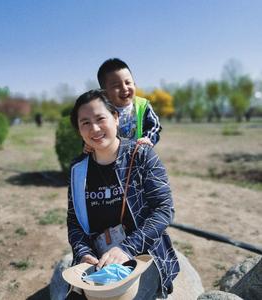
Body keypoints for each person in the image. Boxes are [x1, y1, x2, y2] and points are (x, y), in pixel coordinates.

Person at [50, 89, 179, 300]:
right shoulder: (79, 169)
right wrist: (84, 253)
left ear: (116, 118)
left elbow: (164, 210)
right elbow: (74, 221)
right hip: (97, 261)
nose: (95, 128)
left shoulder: (141, 156)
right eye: (85, 123)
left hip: (141, 254)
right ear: (79, 131)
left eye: (101, 118)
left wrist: (126, 249)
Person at [97, 58, 162, 146]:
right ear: (104, 92)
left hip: (138, 154)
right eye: (116, 86)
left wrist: (147, 138)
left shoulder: (142, 106)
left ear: (134, 84)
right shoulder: (101, 110)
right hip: (111, 157)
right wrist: (90, 144)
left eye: (128, 83)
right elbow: (93, 131)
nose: (124, 88)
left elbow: (155, 126)